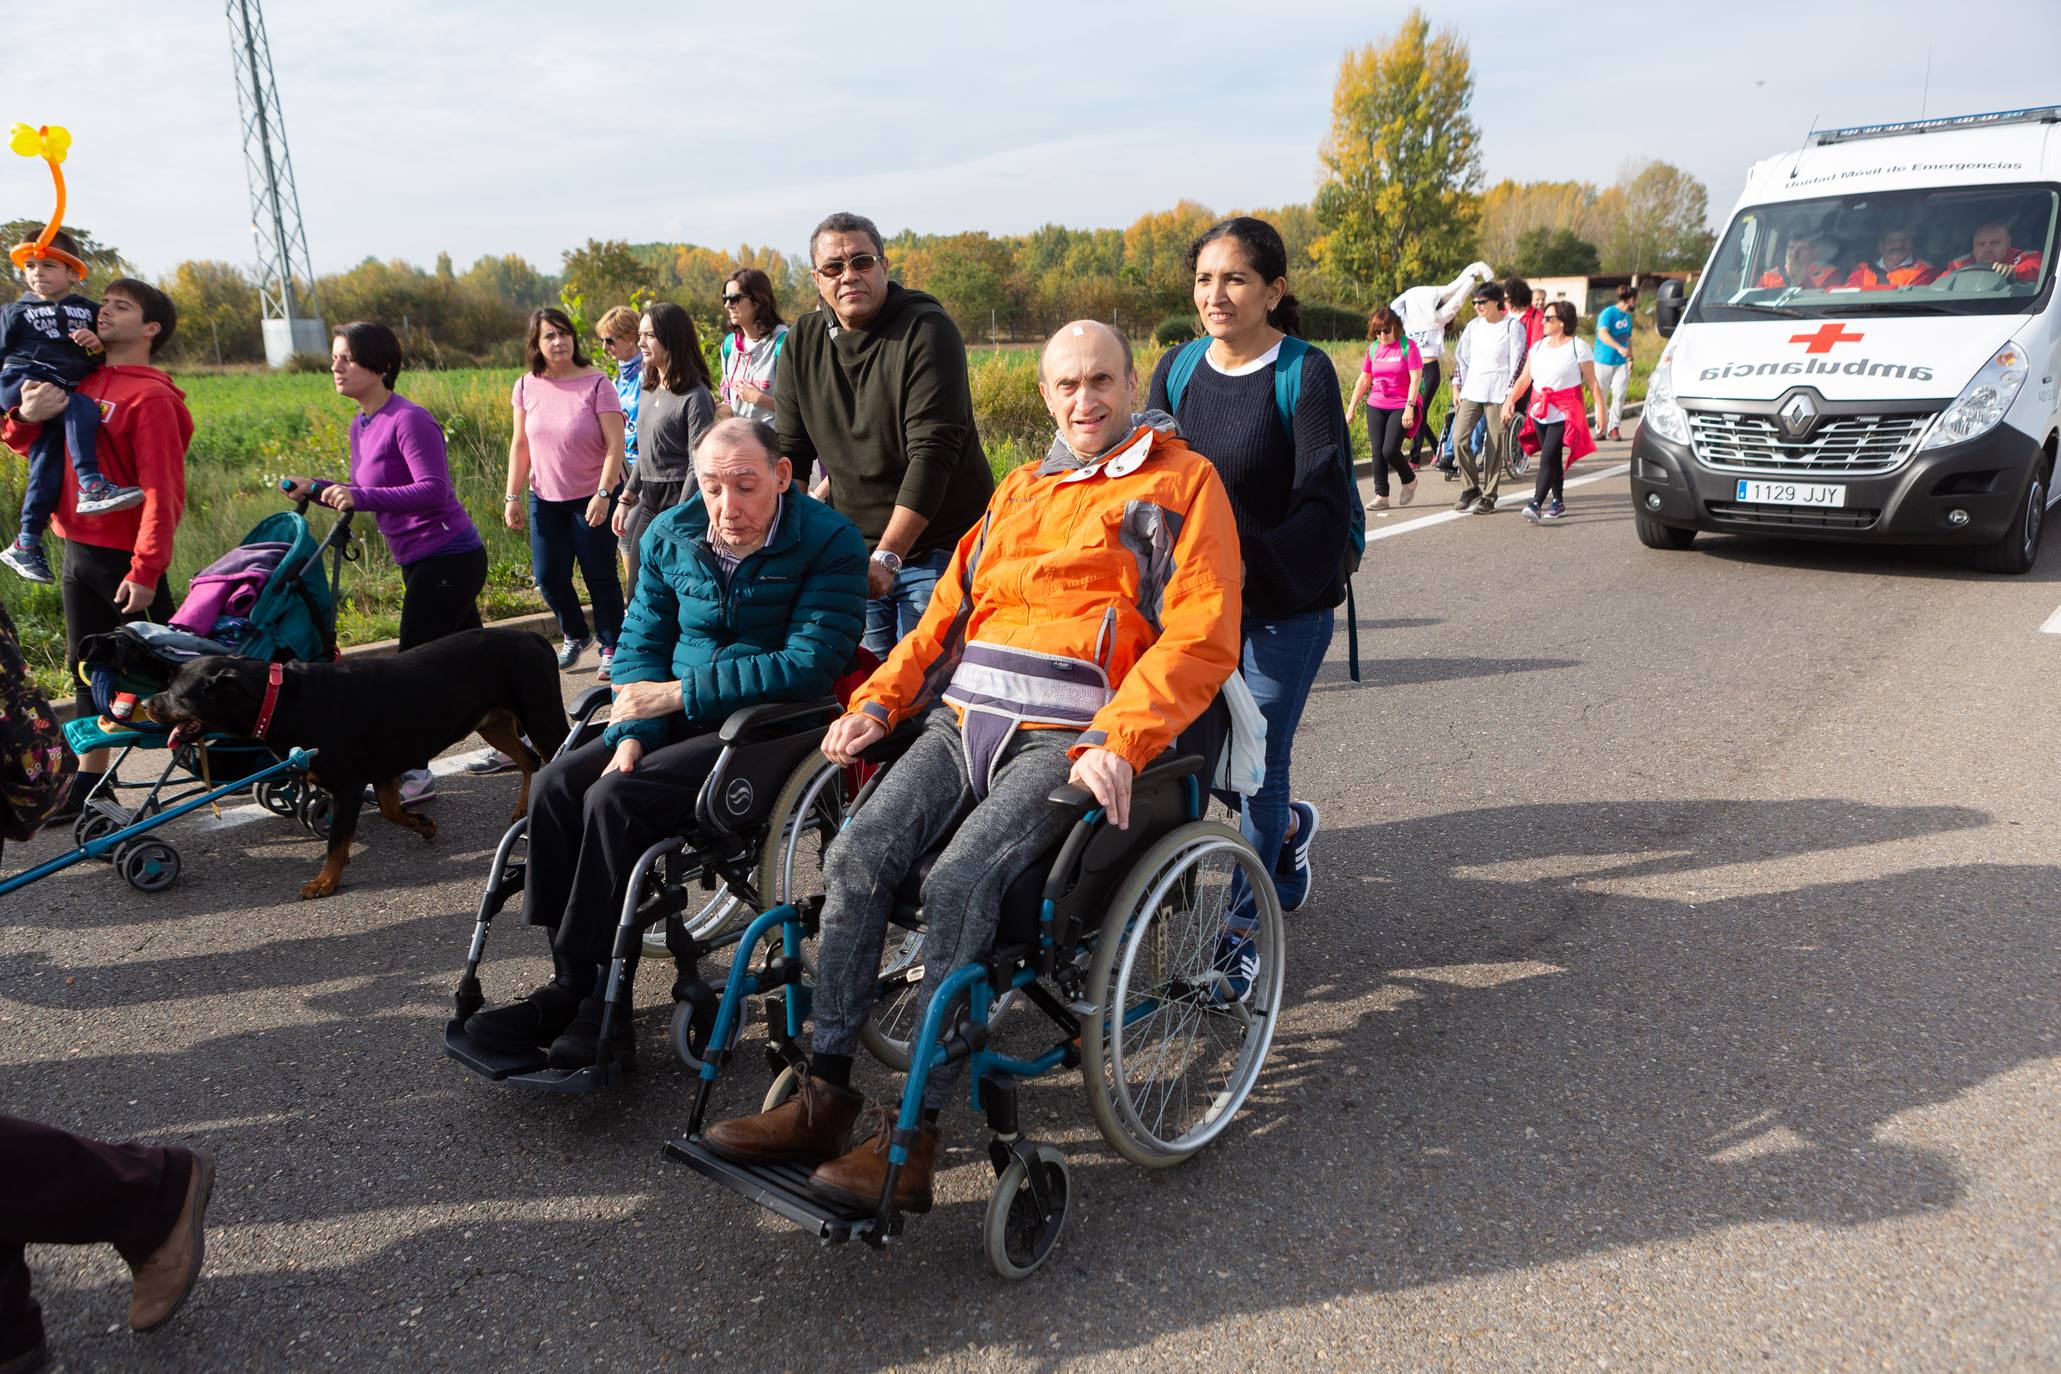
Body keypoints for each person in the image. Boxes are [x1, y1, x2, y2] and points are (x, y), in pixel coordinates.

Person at [703, 320, 1241, 1212]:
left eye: (1101, 380)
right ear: (1044, 394)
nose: (1085, 400)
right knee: (855, 854)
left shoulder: (1183, 484)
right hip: (963, 720)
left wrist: (1120, 738)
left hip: (1067, 733)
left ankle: (911, 1138)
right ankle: (824, 1094)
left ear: (1132, 379)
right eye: (1066, 385)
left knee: (958, 885)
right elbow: (943, 616)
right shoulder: (1021, 490)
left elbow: (1199, 633)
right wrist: (878, 699)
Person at [462, 418, 866, 1069]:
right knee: (563, 784)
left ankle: (606, 1010)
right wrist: (632, 730)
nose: (727, 506)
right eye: (712, 487)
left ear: (782, 478)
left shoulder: (830, 542)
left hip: (769, 728)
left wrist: (673, 699)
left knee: (614, 801)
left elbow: (808, 665)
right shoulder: (671, 533)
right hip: (675, 716)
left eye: (745, 486)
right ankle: (572, 982)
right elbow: (643, 644)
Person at [1148, 215, 1350, 914]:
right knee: (1188, 756)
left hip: (1281, 604)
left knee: (1258, 770)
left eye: (1235, 278)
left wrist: (1241, 566)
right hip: (1190, 604)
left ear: (1273, 290)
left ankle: (1239, 933)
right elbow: (1145, 480)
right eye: (1204, 279)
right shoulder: (1175, 370)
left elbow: (1321, 501)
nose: (1216, 294)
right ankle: (1290, 829)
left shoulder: (1304, 372)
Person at [1, 278, 188, 819]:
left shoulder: (149, 395)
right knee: (88, 671)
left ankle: (230, 758)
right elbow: (37, 450)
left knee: (171, 675)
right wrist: (22, 418)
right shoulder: (85, 377)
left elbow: (164, 491)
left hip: (125, 561)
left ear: (150, 329)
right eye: (103, 303)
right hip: (76, 552)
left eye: (121, 307)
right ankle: (90, 785)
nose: (104, 311)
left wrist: (148, 568)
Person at [280, 321, 485, 807]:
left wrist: (360, 494)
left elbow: (433, 489)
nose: (335, 366)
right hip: (417, 561)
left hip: (448, 556)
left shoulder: (409, 419)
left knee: (410, 672)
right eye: (334, 358)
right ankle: (516, 738)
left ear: (382, 365)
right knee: (480, 662)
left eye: (346, 358)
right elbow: (371, 493)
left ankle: (413, 771)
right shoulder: (363, 423)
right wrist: (322, 488)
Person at [774, 211, 994, 659]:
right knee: (872, 687)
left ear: (884, 267)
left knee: (928, 688)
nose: (849, 275)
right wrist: (786, 544)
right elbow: (791, 455)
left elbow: (932, 454)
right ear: (818, 280)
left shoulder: (925, 330)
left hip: (939, 547)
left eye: (862, 261)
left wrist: (889, 557)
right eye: (834, 268)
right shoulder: (803, 342)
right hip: (855, 549)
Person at [2, 230, 143, 584]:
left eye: (48, 265)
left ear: (74, 273)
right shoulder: (15, 311)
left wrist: (96, 343)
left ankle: (27, 541)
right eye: (30, 266)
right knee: (83, 408)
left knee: (46, 461)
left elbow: (108, 350)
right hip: (25, 381)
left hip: (60, 391)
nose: (37, 273)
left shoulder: (90, 310)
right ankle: (92, 484)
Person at [503, 306, 627, 677]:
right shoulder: (526, 385)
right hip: (545, 496)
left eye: (564, 333)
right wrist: (512, 496)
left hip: (593, 493)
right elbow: (520, 444)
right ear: (536, 345)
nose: (559, 341)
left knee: (599, 573)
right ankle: (575, 632)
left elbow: (615, 446)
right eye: (549, 336)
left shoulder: (597, 384)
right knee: (548, 575)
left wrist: (604, 495)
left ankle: (611, 644)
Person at [612, 303, 717, 601]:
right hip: (649, 499)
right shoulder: (648, 389)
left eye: (649, 335)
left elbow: (698, 465)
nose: (640, 342)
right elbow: (645, 454)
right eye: (639, 334)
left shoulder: (695, 396)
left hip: (679, 500)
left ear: (672, 339)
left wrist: (680, 516)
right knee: (636, 592)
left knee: (668, 594)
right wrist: (625, 498)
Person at [1507, 301, 1606, 523]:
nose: (1543, 321)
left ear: (1562, 322)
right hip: (1539, 410)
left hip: (1564, 411)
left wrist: (1602, 410)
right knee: (1551, 458)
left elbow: (1593, 383)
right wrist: (1509, 401)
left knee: (1549, 455)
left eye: (1548, 318)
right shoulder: (1538, 347)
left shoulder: (1578, 347)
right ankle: (1558, 501)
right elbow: (1525, 379)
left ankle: (1535, 503)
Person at [1390, 261, 1491, 473]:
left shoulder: (1439, 320)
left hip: (1429, 372)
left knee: (1420, 410)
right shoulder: (1408, 321)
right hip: (1411, 372)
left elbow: (1455, 298)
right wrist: (1410, 293)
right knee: (1418, 411)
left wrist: (1471, 278)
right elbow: (1393, 307)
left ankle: (1415, 457)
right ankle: (1436, 448)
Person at [1448, 281, 1526, 516]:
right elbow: (1461, 357)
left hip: (1499, 391)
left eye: (1482, 302)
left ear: (1496, 302)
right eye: (1475, 302)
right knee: (1459, 438)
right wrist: (1456, 385)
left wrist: (1511, 397)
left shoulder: (1513, 327)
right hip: (1473, 389)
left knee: (1495, 444)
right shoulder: (1473, 327)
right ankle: (1470, 487)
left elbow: (1519, 362)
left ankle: (1489, 495)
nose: (1478, 306)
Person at [1345, 305, 1422, 510]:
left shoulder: (1408, 347)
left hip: (1401, 404)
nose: (1382, 335)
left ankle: (1409, 480)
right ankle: (1382, 496)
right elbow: (1364, 379)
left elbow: (1415, 379)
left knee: (1389, 450)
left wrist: (1410, 407)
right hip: (1376, 404)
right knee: (1377, 451)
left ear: (1395, 327)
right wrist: (1351, 408)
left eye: (1386, 330)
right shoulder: (1372, 350)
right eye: (1377, 331)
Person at [718, 268, 787, 425]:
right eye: (725, 299)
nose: (727, 305)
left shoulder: (783, 344)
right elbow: (732, 406)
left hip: (774, 444)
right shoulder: (729, 345)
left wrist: (759, 399)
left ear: (757, 301)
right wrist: (718, 408)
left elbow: (801, 407)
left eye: (734, 298)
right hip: (740, 441)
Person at [1593, 284, 1636, 440]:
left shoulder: (1628, 318)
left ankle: (1614, 427)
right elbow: (1603, 334)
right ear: (1631, 300)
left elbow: (1628, 338)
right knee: (1601, 395)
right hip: (1603, 360)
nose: (1635, 304)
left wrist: (1630, 357)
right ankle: (1601, 428)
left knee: (1620, 393)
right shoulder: (1608, 313)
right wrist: (1618, 347)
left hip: (1621, 362)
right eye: (1635, 301)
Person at [1945, 221, 2043, 284]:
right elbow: (1938, 285)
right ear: (1973, 247)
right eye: (1981, 244)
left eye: (1994, 243)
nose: (1987, 249)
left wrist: (2013, 272)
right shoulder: (1959, 265)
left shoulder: (2026, 257)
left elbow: (2036, 269)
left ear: (2008, 243)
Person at [1845, 227, 1937, 290]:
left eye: (1904, 241)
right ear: (1880, 247)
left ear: (1911, 245)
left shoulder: (1924, 269)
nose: (1898, 245)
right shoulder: (1862, 269)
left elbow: (1913, 301)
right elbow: (1849, 295)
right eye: (1891, 241)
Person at [1758, 235, 1839, 290]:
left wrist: (1803, 280)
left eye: (1802, 248)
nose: (1795, 253)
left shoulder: (1829, 274)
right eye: (1791, 248)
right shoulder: (1769, 276)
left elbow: (1825, 302)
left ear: (1813, 250)